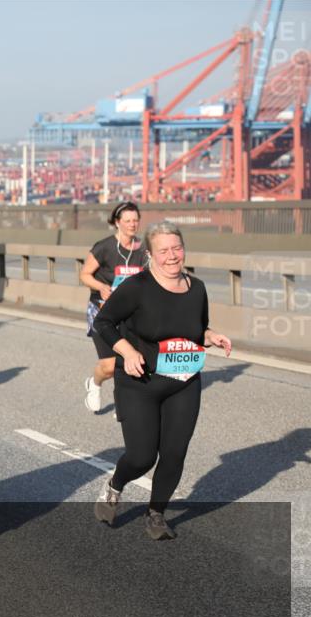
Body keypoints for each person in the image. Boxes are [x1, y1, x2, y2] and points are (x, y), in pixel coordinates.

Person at [92, 222, 231, 540]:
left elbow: (196, 330)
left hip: (183, 381)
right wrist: (126, 351)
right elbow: (104, 322)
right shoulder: (137, 287)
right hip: (138, 382)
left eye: (177, 248)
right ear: (150, 254)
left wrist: (211, 336)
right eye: (164, 250)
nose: (172, 256)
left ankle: (156, 513)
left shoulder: (196, 288)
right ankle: (115, 484)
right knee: (142, 457)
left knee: (174, 452)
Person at [80, 201, 148, 414]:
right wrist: (101, 287)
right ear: (117, 223)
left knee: (131, 360)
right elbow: (84, 275)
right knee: (109, 367)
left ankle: (126, 402)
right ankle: (95, 384)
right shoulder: (104, 247)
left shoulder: (144, 249)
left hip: (130, 315)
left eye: (135, 220)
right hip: (103, 312)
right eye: (127, 221)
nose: (132, 224)